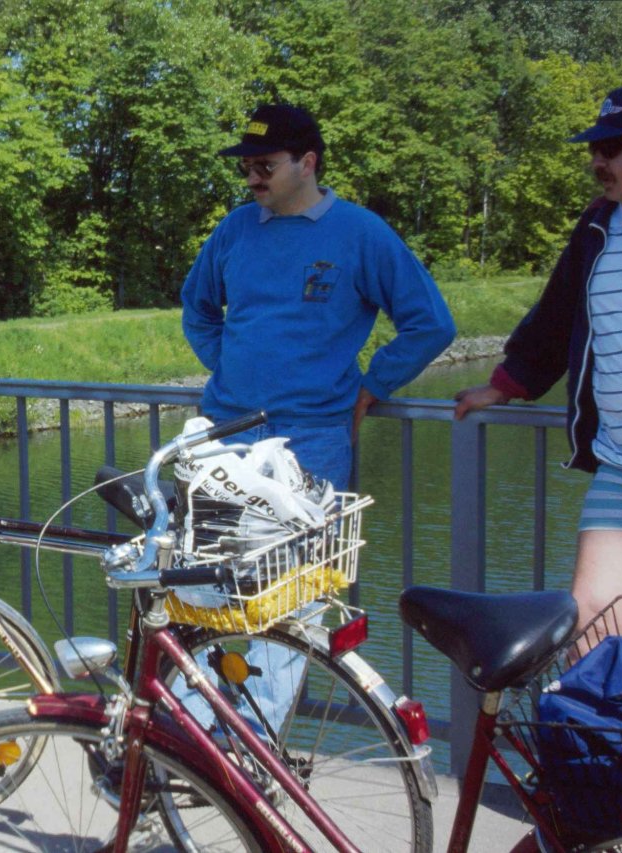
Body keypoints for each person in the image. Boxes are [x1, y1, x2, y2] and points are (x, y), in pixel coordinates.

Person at [179, 103, 455, 730]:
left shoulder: (361, 234)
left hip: (312, 443)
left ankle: (251, 753)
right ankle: (192, 742)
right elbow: (197, 308)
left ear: (308, 163)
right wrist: (230, 367)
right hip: (226, 439)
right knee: (205, 595)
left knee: (292, 605)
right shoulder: (235, 230)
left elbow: (430, 324)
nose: (252, 177)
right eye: (246, 166)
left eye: (264, 165)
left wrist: (372, 386)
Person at [454, 84, 622, 643]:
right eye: (593, 149)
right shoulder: (598, 227)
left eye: (611, 149)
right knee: (588, 635)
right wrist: (505, 384)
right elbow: (556, 316)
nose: (597, 161)